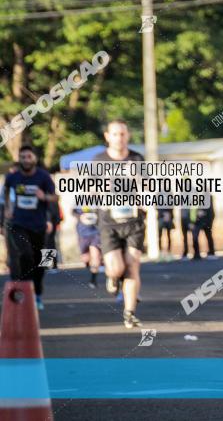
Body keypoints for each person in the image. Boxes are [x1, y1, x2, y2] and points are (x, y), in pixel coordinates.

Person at [94, 119, 145, 328]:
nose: (119, 138)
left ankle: (129, 312)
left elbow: (148, 189)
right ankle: (114, 278)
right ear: (107, 136)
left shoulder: (137, 159)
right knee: (116, 269)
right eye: (115, 134)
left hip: (134, 221)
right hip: (109, 223)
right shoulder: (98, 161)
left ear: (128, 136)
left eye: (123, 134)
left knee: (132, 266)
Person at [2, 146, 58, 310]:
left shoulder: (43, 176)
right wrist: (7, 208)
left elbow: (55, 197)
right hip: (19, 223)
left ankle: (38, 293)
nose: (26, 160)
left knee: (41, 261)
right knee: (24, 254)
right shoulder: (13, 177)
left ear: (34, 158)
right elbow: (6, 191)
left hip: (39, 225)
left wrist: (44, 196)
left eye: (28, 156)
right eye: (23, 157)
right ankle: (27, 290)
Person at [74, 205, 102, 288]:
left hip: (96, 232)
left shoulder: (100, 198)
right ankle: (89, 266)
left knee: (96, 256)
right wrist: (80, 217)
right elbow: (73, 212)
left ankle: (93, 279)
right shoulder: (79, 199)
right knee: (85, 258)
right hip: (83, 233)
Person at [191, 195, 216, 260]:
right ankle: (197, 254)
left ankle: (212, 252)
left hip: (206, 220)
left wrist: (203, 212)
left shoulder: (208, 196)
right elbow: (194, 209)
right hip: (198, 220)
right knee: (195, 236)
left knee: (208, 236)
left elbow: (210, 210)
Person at [44, 198, 63, 272]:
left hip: (49, 221)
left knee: (48, 242)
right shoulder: (51, 196)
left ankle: (49, 264)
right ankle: (50, 265)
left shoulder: (48, 196)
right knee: (49, 242)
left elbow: (50, 210)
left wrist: (49, 221)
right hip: (51, 221)